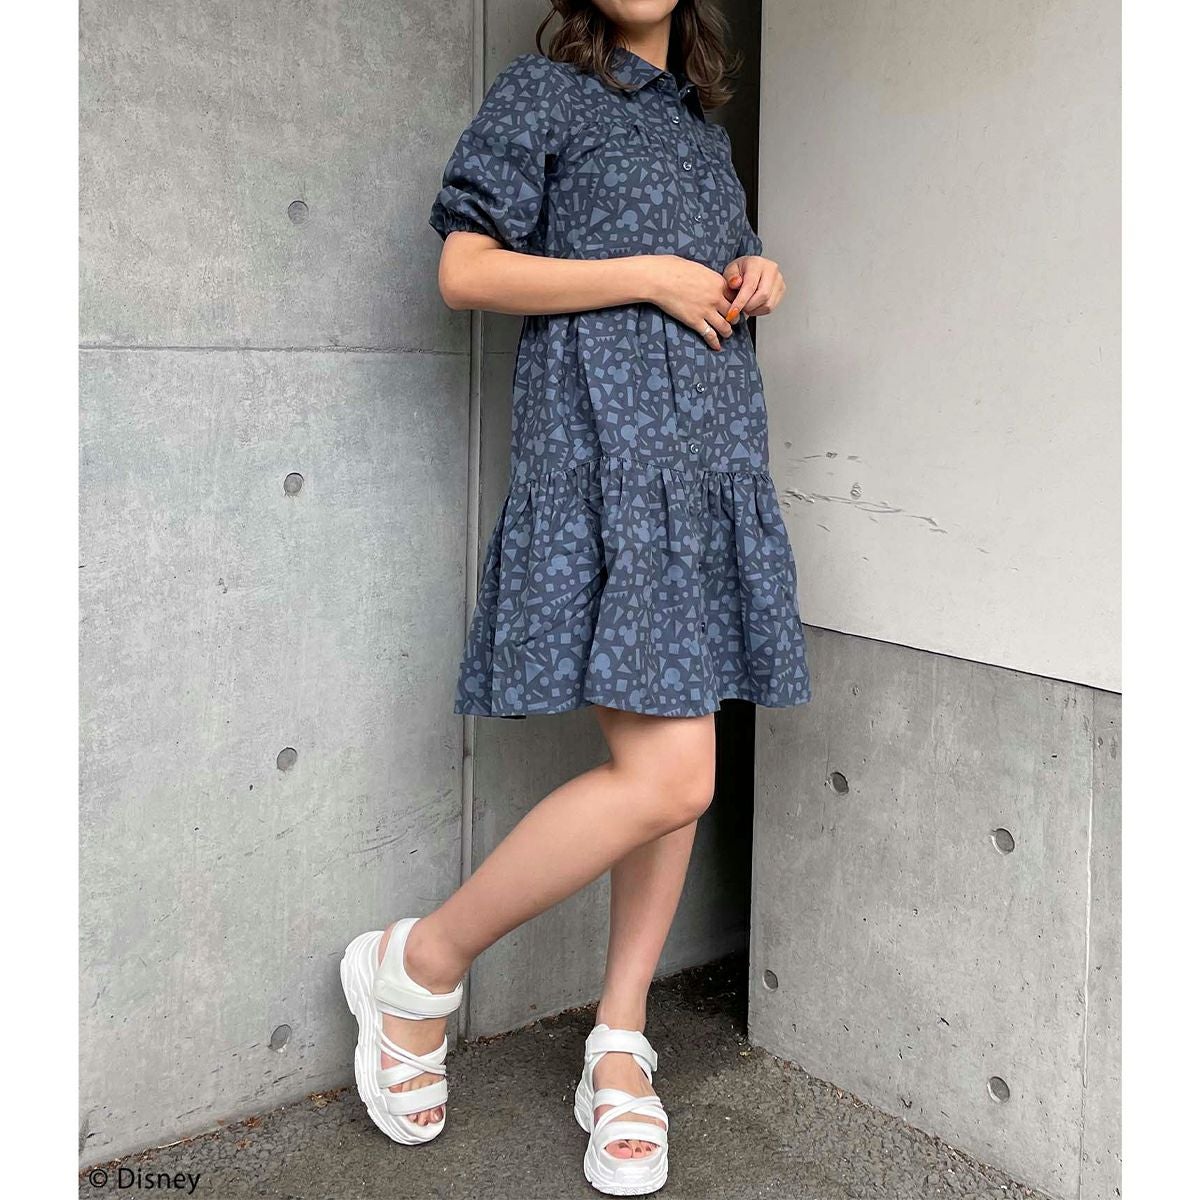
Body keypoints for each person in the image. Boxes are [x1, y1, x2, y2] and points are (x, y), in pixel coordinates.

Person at [341, 2, 812, 1193]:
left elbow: (710, 275)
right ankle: (419, 966)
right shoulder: (545, 93)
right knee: (676, 775)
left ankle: (618, 1039)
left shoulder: (702, 129)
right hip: (605, 466)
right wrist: (645, 277)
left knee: (676, 758)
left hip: (704, 462)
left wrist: (751, 274)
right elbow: (465, 271)